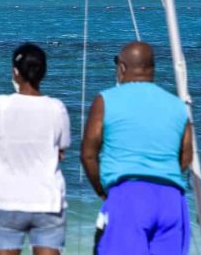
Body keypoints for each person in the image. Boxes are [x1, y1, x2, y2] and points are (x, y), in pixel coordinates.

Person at [81, 41, 193, 255]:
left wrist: (102, 191)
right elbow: (186, 156)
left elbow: (88, 155)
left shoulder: (106, 100)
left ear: (122, 67)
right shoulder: (177, 105)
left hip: (129, 195)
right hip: (171, 200)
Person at [0, 43, 70, 255]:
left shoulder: (1, 104)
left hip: (5, 198)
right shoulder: (56, 108)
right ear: (44, 72)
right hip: (46, 200)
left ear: (15, 72)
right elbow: (62, 147)